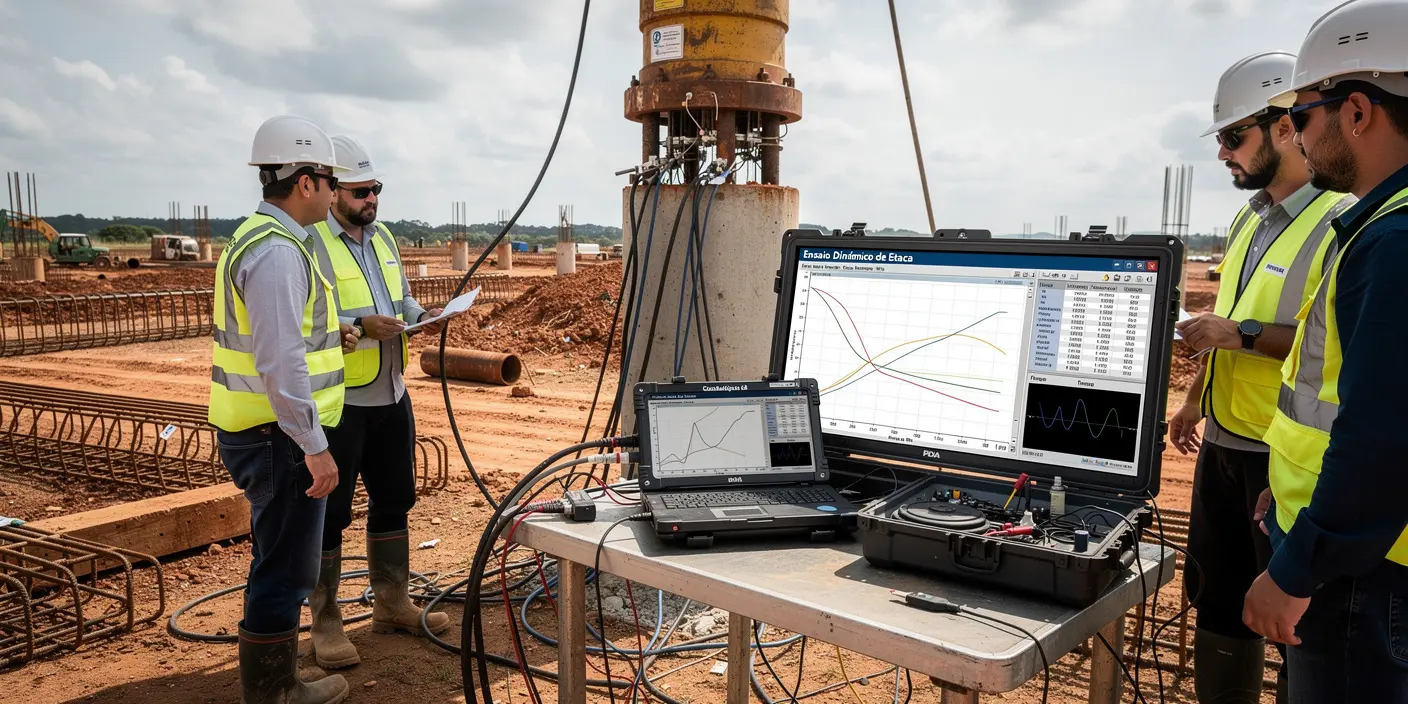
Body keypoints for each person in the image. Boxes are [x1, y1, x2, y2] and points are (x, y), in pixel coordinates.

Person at [1168, 50, 1355, 704]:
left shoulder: (1339, 222)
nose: (1223, 153)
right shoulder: (1248, 219)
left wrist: (1238, 336)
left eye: (1232, 136)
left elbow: (1325, 346)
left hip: (1278, 459)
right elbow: (1231, 319)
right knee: (1217, 604)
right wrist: (1195, 399)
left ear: (1285, 126)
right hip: (1223, 445)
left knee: (1287, 621)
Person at [1239, 0, 1408, 700]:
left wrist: (1298, 566)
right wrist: (1285, 499)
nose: (1298, 136)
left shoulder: (1394, 244)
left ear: (1358, 111)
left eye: (1304, 115)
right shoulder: (1377, 226)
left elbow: (1381, 438)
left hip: (1360, 581)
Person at [211, 115, 357, 704]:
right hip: (281, 438)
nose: (335, 192)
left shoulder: (262, 239)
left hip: (267, 432)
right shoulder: (276, 252)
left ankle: (279, 679)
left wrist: (336, 332)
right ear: (305, 182)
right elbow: (279, 362)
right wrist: (315, 447)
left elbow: (286, 337)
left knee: (279, 557)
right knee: (286, 569)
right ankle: (273, 693)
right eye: (329, 179)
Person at [304, 134, 450, 670]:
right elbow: (311, 319)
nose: (372, 200)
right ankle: (326, 621)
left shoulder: (382, 238)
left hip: (391, 392)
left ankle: (391, 602)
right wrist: (361, 327)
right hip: (343, 401)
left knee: (395, 498)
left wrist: (427, 314)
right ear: (334, 191)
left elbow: (401, 298)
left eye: (377, 189)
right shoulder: (313, 243)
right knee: (332, 513)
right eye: (362, 191)